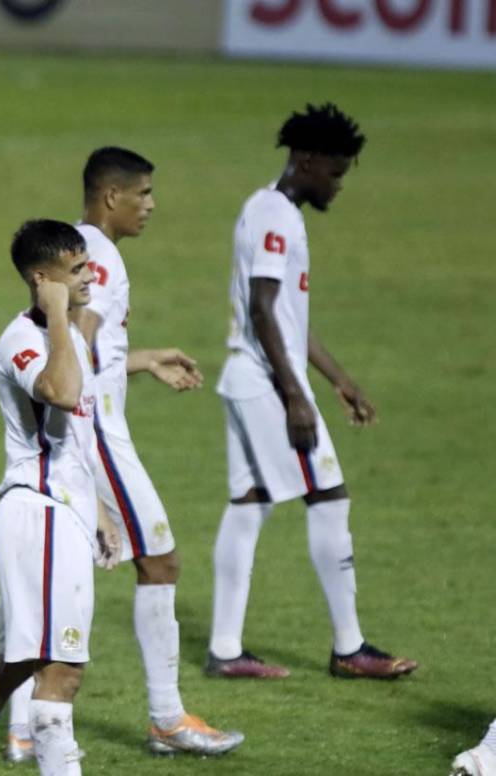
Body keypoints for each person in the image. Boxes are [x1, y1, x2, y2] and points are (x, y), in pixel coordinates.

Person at [7, 148, 243, 757]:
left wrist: (141, 359)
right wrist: (83, 439)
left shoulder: (83, 248)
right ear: (111, 196)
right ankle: (164, 716)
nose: (151, 206)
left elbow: (93, 352)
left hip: (96, 428)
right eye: (143, 194)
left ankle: (20, 726)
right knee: (158, 561)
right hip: (97, 433)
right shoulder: (98, 257)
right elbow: (78, 342)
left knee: (57, 577)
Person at [207, 103, 416, 679]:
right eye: (336, 172)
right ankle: (350, 648)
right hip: (267, 384)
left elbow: (290, 319)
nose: (339, 185)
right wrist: (297, 396)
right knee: (330, 498)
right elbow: (263, 308)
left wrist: (339, 380)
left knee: (247, 507)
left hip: (248, 377)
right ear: (306, 161)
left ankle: (225, 650)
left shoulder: (269, 208)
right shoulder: (275, 216)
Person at [0, 219, 99, 776]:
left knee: (15, 664)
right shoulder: (24, 339)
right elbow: (62, 392)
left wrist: (97, 509)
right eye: (75, 269)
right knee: (61, 673)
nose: (89, 275)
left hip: (62, 514)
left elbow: (78, 433)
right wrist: (58, 312)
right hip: (40, 514)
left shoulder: (66, 335)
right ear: (41, 278)